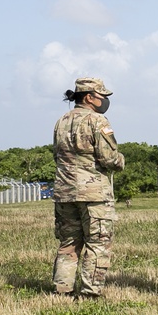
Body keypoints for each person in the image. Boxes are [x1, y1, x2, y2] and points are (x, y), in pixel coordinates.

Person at [51, 77, 125, 299]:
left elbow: (57, 155)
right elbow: (109, 157)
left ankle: (62, 290)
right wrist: (121, 160)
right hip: (94, 194)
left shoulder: (61, 120)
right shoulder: (98, 120)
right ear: (89, 97)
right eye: (102, 96)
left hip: (64, 192)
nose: (104, 100)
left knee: (69, 244)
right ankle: (90, 293)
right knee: (98, 244)